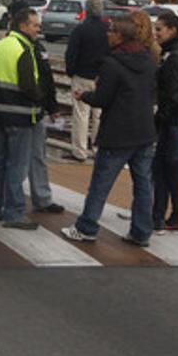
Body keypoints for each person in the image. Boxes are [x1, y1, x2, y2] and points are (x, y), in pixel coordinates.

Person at [62, 18, 159, 246]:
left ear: (120, 36)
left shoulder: (112, 64)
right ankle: (141, 232)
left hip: (117, 134)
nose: (107, 34)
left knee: (100, 184)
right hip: (144, 132)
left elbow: (102, 99)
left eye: (111, 31)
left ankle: (86, 227)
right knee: (143, 185)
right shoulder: (148, 60)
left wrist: (83, 95)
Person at [0, 7, 43, 230]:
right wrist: (40, 98)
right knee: (17, 165)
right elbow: (28, 86)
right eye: (35, 24)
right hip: (20, 115)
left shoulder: (0, 45)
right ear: (23, 26)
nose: (38, 29)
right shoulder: (23, 49)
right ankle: (15, 213)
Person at [152, 11, 178, 234]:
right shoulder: (177, 53)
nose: (155, 33)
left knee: (165, 168)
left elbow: (173, 94)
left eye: (159, 29)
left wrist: (160, 118)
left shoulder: (174, 57)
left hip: (175, 121)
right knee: (169, 168)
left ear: (172, 31)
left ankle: (165, 217)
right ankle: (172, 216)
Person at [64, 0, 108, 162]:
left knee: (81, 114)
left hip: (82, 75)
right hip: (102, 77)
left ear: (86, 10)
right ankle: (98, 148)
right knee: (99, 114)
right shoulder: (108, 29)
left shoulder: (80, 30)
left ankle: (80, 151)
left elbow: (71, 53)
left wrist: (71, 71)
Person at [28, 27, 65, 215]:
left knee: (32, 155)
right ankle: (40, 198)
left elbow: (46, 78)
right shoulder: (27, 48)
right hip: (27, 110)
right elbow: (44, 79)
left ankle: (1, 200)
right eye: (35, 25)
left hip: (30, 111)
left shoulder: (37, 47)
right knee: (30, 156)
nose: (39, 29)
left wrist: (52, 106)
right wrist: (51, 105)